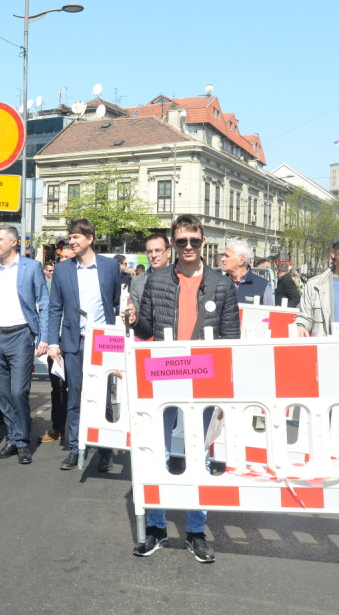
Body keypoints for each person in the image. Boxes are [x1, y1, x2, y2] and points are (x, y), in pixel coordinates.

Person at [126, 214, 240, 563]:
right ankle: (157, 528)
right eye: (181, 241)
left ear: (204, 242)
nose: (188, 247)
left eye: (194, 241)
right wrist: (134, 319)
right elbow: (146, 330)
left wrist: (226, 393)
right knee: (156, 451)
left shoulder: (222, 284)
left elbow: (231, 339)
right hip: (162, 377)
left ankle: (195, 531)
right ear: (173, 244)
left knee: (199, 457)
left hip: (204, 381)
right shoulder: (156, 279)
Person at [47, 218, 120, 471]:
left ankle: (105, 450)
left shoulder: (110, 267)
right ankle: (76, 446)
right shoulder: (63, 269)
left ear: (90, 238)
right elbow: (54, 308)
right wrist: (53, 342)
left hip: (103, 343)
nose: (72, 240)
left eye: (77, 236)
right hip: (73, 343)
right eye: (70, 236)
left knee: (104, 398)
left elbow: (115, 302)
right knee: (75, 395)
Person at [0, 225, 50, 465]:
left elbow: (43, 300)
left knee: (18, 391)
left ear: (14, 242)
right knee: (2, 393)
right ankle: (14, 439)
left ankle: (22, 441)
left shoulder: (31, 267)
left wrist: (43, 337)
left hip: (21, 335)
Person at [40, 260, 67, 443]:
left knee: (76, 388)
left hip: (76, 341)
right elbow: (47, 312)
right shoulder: (49, 284)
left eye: (66, 257)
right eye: (60, 258)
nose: (61, 263)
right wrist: (50, 341)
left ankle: (75, 429)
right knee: (56, 387)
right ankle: (58, 427)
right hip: (55, 342)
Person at [220, 238, 272, 305]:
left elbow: (269, 313)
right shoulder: (218, 283)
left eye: (227, 256)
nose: (222, 259)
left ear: (241, 260)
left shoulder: (263, 285)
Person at [129, 233, 171, 310]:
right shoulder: (137, 281)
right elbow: (136, 314)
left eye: (158, 250)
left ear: (168, 252)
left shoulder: (180, 277)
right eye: (149, 252)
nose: (153, 255)